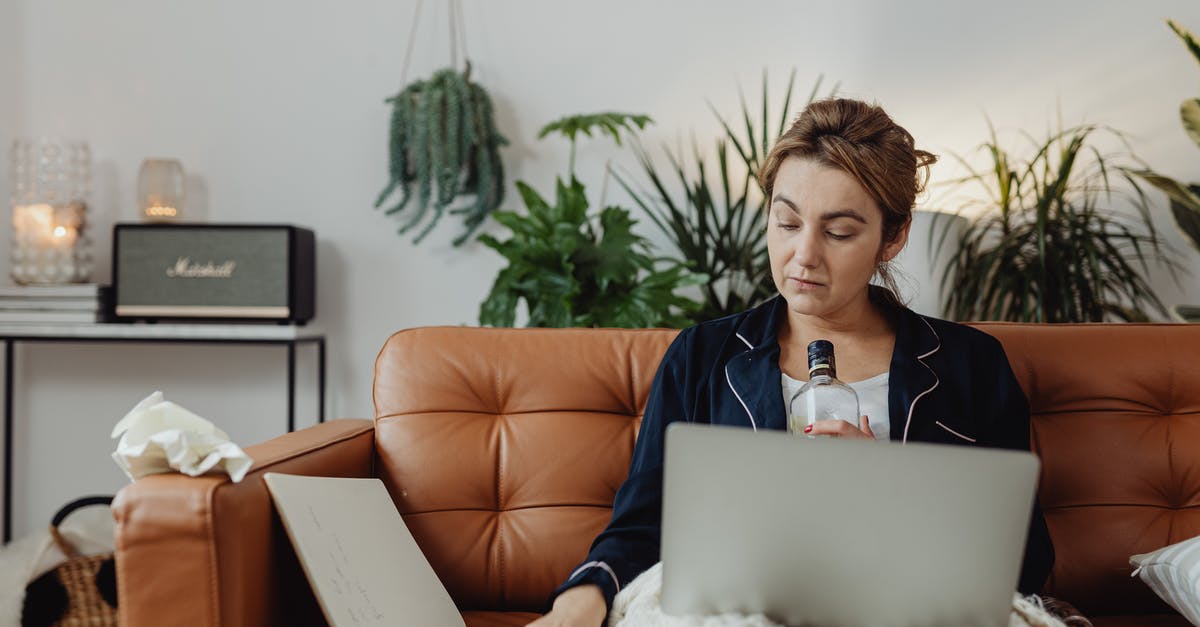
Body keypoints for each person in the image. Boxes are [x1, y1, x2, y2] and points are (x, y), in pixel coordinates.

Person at [529, 97, 1055, 627]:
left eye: (839, 232)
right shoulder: (703, 357)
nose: (803, 255)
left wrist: (888, 490)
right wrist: (580, 599)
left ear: (892, 238)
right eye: (786, 222)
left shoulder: (971, 365)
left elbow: (1025, 559)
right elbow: (641, 526)